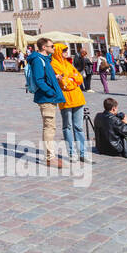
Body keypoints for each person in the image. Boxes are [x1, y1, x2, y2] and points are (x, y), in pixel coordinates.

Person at [26, 38, 65, 168]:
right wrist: (50, 92)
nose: (54, 48)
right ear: (44, 47)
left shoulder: (45, 59)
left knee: (51, 127)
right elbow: (39, 80)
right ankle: (50, 157)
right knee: (49, 127)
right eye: (51, 46)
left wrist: (56, 78)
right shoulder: (38, 60)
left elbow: (45, 77)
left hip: (50, 97)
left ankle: (51, 155)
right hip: (46, 98)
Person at [51, 42, 88, 162]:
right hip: (65, 99)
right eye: (64, 50)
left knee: (79, 127)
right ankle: (72, 153)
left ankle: (83, 153)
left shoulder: (68, 63)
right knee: (67, 126)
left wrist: (71, 78)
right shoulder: (54, 65)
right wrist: (71, 79)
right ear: (58, 52)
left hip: (78, 98)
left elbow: (79, 78)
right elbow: (64, 83)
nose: (67, 52)